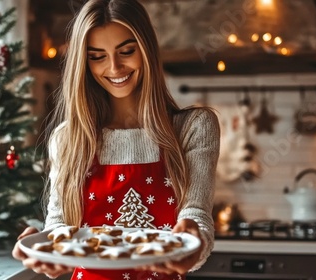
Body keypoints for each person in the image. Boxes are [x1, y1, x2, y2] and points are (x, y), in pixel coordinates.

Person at [12, 0, 220, 279]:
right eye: (97, 56)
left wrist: (195, 241)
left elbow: (196, 216)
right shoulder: (68, 138)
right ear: (83, 63)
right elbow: (60, 225)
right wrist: (46, 249)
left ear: (146, 50)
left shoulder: (194, 127)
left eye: (126, 51)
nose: (114, 67)